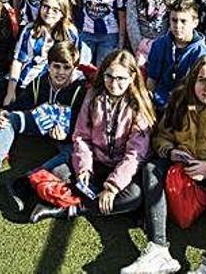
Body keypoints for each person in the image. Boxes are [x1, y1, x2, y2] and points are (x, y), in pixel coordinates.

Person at [123, 55, 206, 274]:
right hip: (185, 169)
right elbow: (161, 137)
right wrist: (171, 150)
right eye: (201, 80)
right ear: (193, 81)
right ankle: (158, 249)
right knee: (151, 168)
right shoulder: (179, 100)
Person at [29, 49, 155, 222]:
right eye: (109, 76)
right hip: (96, 161)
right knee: (58, 172)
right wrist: (84, 168)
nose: (113, 83)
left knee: (134, 196)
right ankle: (100, 199)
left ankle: (72, 209)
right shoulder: (93, 95)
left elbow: (134, 155)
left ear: (132, 78)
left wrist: (113, 187)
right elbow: (81, 136)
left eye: (121, 78)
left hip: (124, 169)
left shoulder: (139, 105)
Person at [0, 41, 87, 194]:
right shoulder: (40, 81)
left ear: (74, 68)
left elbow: (84, 126)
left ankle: (30, 179)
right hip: (40, 126)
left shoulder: (81, 89)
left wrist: (66, 135)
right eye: (56, 66)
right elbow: (22, 103)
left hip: (66, 136)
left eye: (66, 67)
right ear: (48, 65)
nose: (60, 72)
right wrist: (5, 112)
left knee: (73, 152)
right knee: (11, 119)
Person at [3, 0, 81, 106]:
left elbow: (73, 64)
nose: (49, 12)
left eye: (55, 10)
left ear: (63, 12)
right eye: (46, 7)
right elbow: (18, 61)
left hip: (48, 84)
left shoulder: (70, 33)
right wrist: (10, 92)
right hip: (24, 80)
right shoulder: (29, 29)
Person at [146, 0, 206, 110]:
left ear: (195, 23)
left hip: (187, 107)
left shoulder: (203, 53)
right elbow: (152, 79)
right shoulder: (159, 44)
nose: (177, 26)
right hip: (159, 104)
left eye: (183, 21)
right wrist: (148, 103)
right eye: (174, 20)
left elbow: (202, 91)